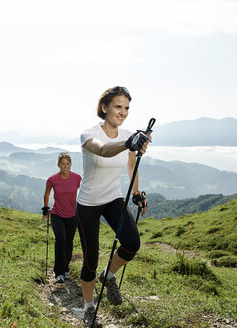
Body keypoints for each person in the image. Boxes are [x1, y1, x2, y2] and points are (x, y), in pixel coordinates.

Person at [76, 86, 149, 327]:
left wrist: (136, 193)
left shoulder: (128, 133)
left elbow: (130, 166)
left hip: (113, 199)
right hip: (88, 203)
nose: (123, 112)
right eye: (118, 106)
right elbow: (104, 150)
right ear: (104, 107)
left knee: (132, 243)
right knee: (90, 261)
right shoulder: (88, 134)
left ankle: (108, 276)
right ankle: (88, 308)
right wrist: (129, 143)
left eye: (126, 108)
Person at [42, 152, 82, 283]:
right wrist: (46, 207)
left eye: (68, 163)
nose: (65, 166)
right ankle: (58, 272)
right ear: (58, 165)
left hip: (72, 215)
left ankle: (65, 269)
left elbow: (83, 193)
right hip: (57, 214)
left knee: (69, 242)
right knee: (61, 240)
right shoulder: (52, 179)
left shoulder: (77, 178)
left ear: (71, 164)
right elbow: (47, 193)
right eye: (62, 164)